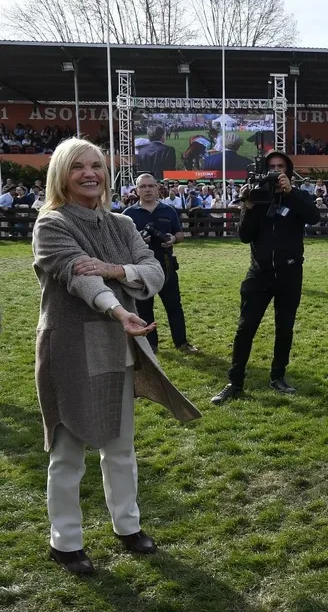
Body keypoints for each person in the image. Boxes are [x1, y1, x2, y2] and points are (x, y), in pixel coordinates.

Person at [31, 138, 200, 574]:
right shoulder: (50, 225)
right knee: (67, 451)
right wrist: (120, 307)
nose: (90, 173)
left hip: (116, 347)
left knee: (120, 446)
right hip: (68, 347)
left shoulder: (122, 224)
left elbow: (154, 271)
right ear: (61, 175)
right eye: (78, 167)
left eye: (97, 166)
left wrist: (112, 268)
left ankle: (128, 526)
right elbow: (77, 277)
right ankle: (65, 542)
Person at [212, 150, 320, 404]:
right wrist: (248, 206)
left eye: (280, 166)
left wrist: (290, 193)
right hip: (259, 273)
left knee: (284, 328)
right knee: (245, 328)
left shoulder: (299, 196)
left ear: (288, 170)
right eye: (271, 166)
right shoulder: (257, 196)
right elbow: (244, 236)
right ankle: (235, 381)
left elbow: (313, 217)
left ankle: (278, 376)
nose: (276, 171)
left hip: (290, 272)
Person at [123, 173, 199, 355]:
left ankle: (181, 343)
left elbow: (180, 235)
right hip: (141, 270)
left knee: (174, 306)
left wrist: (173, 238)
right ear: (137, 190)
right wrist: (139, 240)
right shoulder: (128, 215)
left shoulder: (168, 210)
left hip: (167, 267)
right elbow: (121, 243)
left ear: (157, 188)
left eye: (151, 186)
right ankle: (151, 345)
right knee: (144, 308)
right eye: (143, 187)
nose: (147, 190)